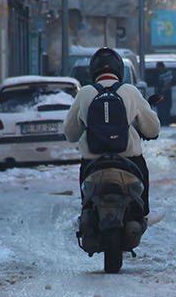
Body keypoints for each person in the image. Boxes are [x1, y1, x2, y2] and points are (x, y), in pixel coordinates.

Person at [64, 46, 160, 211]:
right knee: (142, 176)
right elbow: (153, 130)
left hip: (92, 164)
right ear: (119, 69)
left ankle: (85, 213)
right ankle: (144, 213)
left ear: (93, 70)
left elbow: (71, 134)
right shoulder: (130, 91)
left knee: (87, 203)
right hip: (129, 161)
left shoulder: (85, 93)